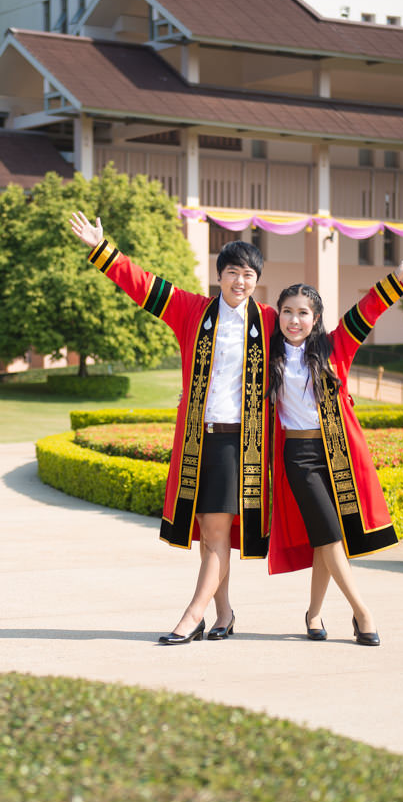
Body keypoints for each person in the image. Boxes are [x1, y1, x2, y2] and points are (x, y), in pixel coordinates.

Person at [69, 210, 276, 645]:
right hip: (198, 441)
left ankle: (191, 616)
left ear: (257, 280)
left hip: (240, 444)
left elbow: (312, 342)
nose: (241, 281)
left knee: (217, 531)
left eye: (250, 274)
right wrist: (101, 249)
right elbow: (143, 285)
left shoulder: (271, 322)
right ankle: (224, 614)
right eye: (234, 272)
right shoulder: (192, 311)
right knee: (207, 533)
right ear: (219, 275)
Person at [267, 256, 403, 646]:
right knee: (328, 536)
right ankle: (363, 612)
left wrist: (399, 276)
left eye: (303, 313)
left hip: (336, 455)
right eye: (288, 312)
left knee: (327, 539)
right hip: (298, 458)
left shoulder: (333, 347)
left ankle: (313, 614)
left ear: (316, 317)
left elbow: (367, 311)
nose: (294, 320)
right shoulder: (266, 356)